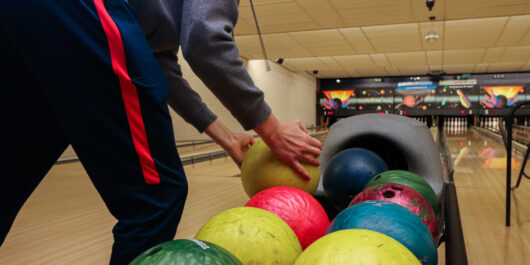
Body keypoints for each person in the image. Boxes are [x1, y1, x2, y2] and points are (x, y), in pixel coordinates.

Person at [0, 0, 321, 264]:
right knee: (155, 197)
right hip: (85, 11)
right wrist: (272, 129)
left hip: (29, 13)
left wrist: (226, 136)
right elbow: (206, 41)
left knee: (10, 172)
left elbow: (158, 62)